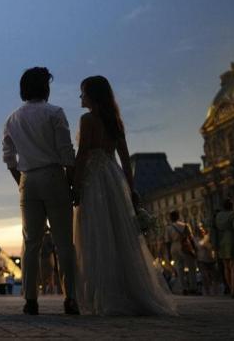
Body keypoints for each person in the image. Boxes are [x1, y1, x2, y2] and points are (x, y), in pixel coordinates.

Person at [73, 75, 176, 315]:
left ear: (93, 96)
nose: (80, 97)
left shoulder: (87, 120)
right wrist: (130, 189)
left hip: (94, 180)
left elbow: (82, 154)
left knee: (96, 236)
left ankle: (103, 295)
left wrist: (75, 184)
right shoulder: (115, 121)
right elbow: (126, 160)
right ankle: (129, 291)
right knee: (120, 237)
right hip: (113, 177)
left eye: (83, 92)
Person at [2, 67, 79, 315]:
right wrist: (71, 184)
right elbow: (67, 153)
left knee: (31, 243)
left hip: (28, 180)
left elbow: (9, 159)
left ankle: (31, 300)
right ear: (45, 87)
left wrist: (21, 181)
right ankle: (71, 298)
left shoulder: (12, 119)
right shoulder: (55, 113)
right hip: (54, 176)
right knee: (64, 243)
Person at [165, 211, 198, 295]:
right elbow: (190, 238)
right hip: (184, 245)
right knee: (191, 267)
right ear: (178, 216)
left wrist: (169, 254)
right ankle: (193, 287)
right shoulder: (185, 225)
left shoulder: (168, 228)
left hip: (173, 247)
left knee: (179, 268)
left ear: (170, 218)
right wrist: (194, 248)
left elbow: (167, 242)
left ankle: (184, 288)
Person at [215, 199, 234, 298]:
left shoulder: (218, 216)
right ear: (231, 206)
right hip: (232, 240)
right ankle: (233, 290)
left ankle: (230, 287)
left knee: (226, 267)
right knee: (233, 267)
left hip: (221, 241)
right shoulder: (233, 214)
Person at [196, 226, 219, 296]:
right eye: (200, 231)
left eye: (203, 230)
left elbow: (212, 247)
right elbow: (201, 245)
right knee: (205, 276)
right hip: (202, 260)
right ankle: (207, 291)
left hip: (211, 260)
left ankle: (215, 291)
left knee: (214, 276)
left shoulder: (208, 238)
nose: (202, 232)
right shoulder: (196, 239)